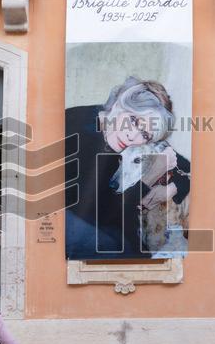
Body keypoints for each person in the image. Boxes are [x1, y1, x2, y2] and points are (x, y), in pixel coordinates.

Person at [64, 77, 191, 259]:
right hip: (81, 234)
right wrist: (152, 175)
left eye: (145, 134)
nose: (132, 135)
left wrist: (169, 189)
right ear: (118, 105)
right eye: (133, 120)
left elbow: (185, 168)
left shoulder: (120, 135)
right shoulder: (78, 129)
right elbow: (106, 212)